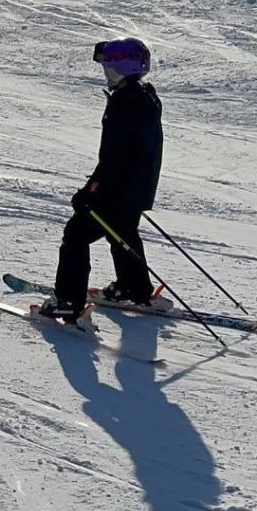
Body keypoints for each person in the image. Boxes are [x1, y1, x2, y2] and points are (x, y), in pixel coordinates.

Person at [40, 37, 163, 324]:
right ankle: (133, 288)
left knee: (75, 234)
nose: (106, 73)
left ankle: (68, 302)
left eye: (109, 67)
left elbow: (114, 158)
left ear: (122, 69)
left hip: (117, 190)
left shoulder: (124, 104)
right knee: (122, 232)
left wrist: (90, 191)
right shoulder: (146, 96)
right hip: (138, 188)